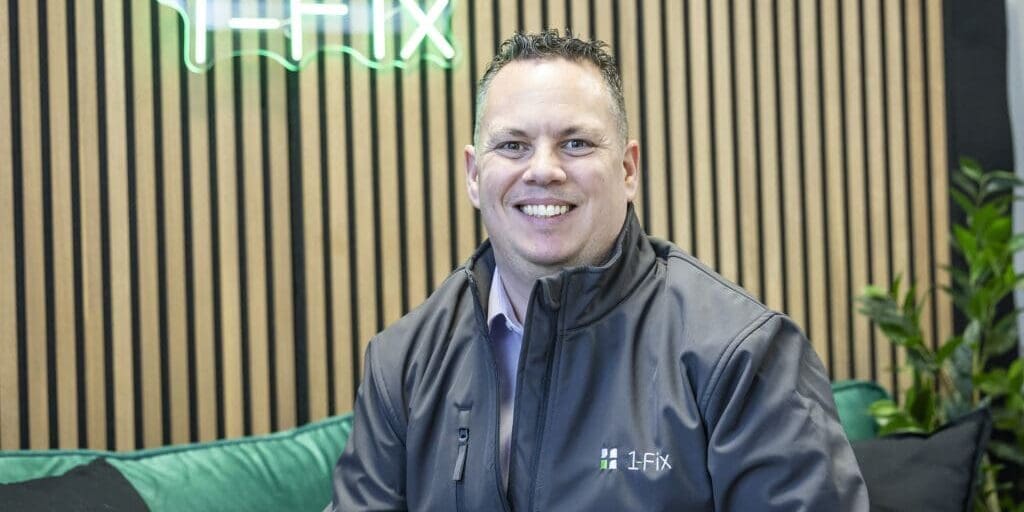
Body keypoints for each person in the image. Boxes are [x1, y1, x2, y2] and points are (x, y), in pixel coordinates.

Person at [328, 29, 868, 511]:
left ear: (628, 168)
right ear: (474, 174)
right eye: (513, 146)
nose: (543, 169)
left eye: (576, 143)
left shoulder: (741, 355)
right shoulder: (402, 362)